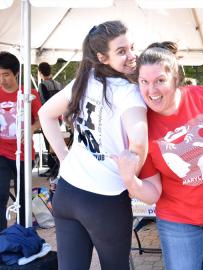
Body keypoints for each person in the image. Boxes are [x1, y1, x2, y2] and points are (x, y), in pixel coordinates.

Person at [113, 43, 203, 270]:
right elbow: (152, 194)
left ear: (175, 78)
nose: (152, 90)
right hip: (179, 219)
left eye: (160, 80)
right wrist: (130, 180)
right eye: (144, 82)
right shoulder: (142, 127)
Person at [38, 20, 148, 270]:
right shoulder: (128, 92)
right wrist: (133, 183)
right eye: (122, 51)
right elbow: (139, 144)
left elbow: (46, 114)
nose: (132, 56)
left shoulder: (85, 79)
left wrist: (65, 158)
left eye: (132, 47)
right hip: (105, 200)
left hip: (67, 192)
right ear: (102, 56)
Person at [0, 51, 42, 231]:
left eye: (6, 74)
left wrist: (31, 129)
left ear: (16, 73)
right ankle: (2, 241)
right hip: (1, 152)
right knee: (0, 195)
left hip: (24, 154)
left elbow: (42, 118)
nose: (2, 80)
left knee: (23, 197)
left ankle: (23, 233)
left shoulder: (29, 94)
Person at [38, 62, 63, 178]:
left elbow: (43, 103)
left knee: (48, 142)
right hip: (59, 116)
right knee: (57, 141)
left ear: (40, 72)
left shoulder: (42, 85)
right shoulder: (58, 84)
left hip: (49, 118)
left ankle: (52, 167)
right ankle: (58, 166)